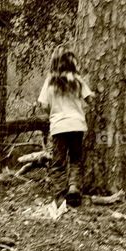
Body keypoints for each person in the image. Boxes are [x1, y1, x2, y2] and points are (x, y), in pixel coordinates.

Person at [37, 47, 94, 206]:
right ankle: (74, 188)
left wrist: (53, 111)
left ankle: (59, 196)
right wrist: (81, 108)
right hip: (77, 125)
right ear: (71, 62)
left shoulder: (50, 81)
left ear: (54, 62)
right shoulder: (77, 79)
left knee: (58, 163)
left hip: (58, 126)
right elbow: (90, 99)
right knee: (75, 159)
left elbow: (43, 104)